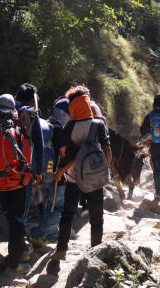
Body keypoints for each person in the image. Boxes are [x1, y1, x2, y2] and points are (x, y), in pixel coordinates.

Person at [48, 86, 112, 273]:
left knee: (67, 215)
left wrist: (60, 172)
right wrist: (103, 169)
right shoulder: (99, 125)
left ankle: (60, 251)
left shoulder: (69, 127)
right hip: (95, 179)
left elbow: (69, 156)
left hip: (74, 178)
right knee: (97, 219)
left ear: (73, 107)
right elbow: (107, 150)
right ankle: (95, 255)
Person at [0, 93, 34, 275]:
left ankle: (21, 252)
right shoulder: (23, 119)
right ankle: (15, 263)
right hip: (19, 178)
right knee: (19, 220)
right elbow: (35, 146)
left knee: (11, 217)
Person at [27, 98, 70, 246]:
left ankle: (46, 233)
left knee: (46, 207)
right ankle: (42, 236)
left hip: (41, 174)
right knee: (55, 207)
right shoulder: (58, 130)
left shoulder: (45, 125)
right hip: (56, 178)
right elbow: (64, 154)